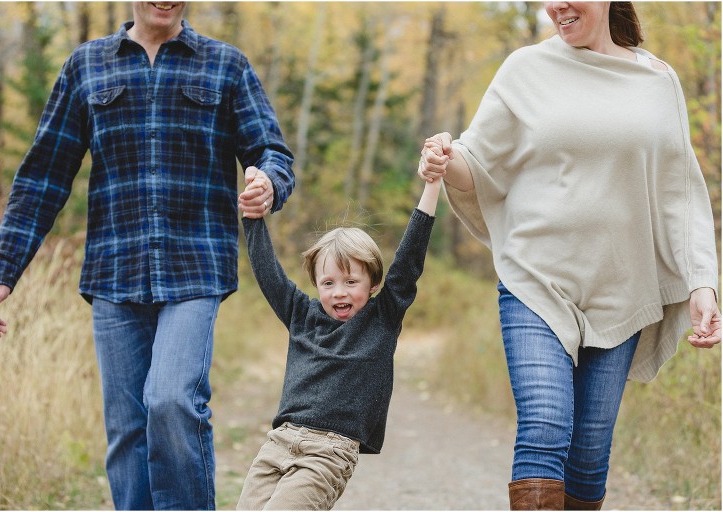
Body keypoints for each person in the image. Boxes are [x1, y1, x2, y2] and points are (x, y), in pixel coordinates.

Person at [0, 2, 294, 509]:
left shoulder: (225, 64)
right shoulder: (87, 65)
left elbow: (272, 153)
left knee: (170, 401)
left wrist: (268, 184)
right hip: (114, 269)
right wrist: (4, 269)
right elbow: (43, 175)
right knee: (127, 432)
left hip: (197, 266)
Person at [419, 2, 720, 510]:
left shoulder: (657, 81)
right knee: (544, 422)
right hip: (536, 280)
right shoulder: (525, 69)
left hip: (622, 289)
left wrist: (702, 283)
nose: (556, 5)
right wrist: (447, 161)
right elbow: (479, 161)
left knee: (588, 455)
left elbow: (680, 193)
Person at [235, 165, 441, 510]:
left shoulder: (382, 319)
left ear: (373, 283)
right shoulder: (302, 315)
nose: (338, 292)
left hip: (328, 452)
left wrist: (432, 186)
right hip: (278, 443)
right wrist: (252, 217)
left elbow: (409, 260)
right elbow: (267, 271)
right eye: (328, 283)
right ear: (316, 284)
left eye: (351, 281)